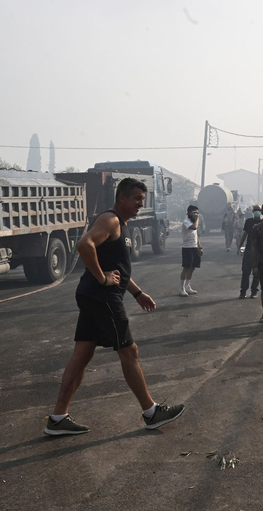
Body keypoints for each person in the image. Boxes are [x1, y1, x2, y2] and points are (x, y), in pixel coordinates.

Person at [45, 178, 185, 436]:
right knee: (129, 352)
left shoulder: (119, 223)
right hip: (102, 298)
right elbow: (84, 244)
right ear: (122, 197)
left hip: (94, 297)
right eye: (136, 200)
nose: (140, 205)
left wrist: (137, 293)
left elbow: (117, 268)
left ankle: (57, 418)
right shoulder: (110, 220)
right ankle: (151, 412)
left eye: (142, 201)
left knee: (82, 356)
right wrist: (102, 278)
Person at [238, 204, 262, 299]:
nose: (257, 212)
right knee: (246, 271)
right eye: (255, 210)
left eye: (258, 210)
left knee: (257, 272)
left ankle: (254, 291)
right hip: (248, 249)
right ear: (253, 212)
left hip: (260, 250)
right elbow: (245, 233)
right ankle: (243, 291)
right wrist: (241, 244)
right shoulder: (249, 222)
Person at [179, 205, 202, 297]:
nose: (196, 215)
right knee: (186, 267)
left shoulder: (194, 222)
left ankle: (188, 286)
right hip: (187, 248)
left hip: (194, 247)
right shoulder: (186, 222)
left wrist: (200, 247)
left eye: (197, 213)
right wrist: (197, 219)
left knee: (193, 267)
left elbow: (196, 236)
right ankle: (181, 288)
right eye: (194, 213)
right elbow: (194, 228)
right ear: (189, 213)